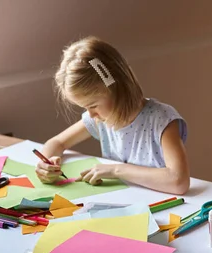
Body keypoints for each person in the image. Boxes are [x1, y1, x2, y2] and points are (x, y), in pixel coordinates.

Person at [35, 36, 190, 195]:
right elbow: (57, 142)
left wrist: (116, 170)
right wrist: (45, 164)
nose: (90, 114)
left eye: (93, 105)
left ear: (117, 89)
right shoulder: (99, 119)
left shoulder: (161, 120)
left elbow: (178, 181)